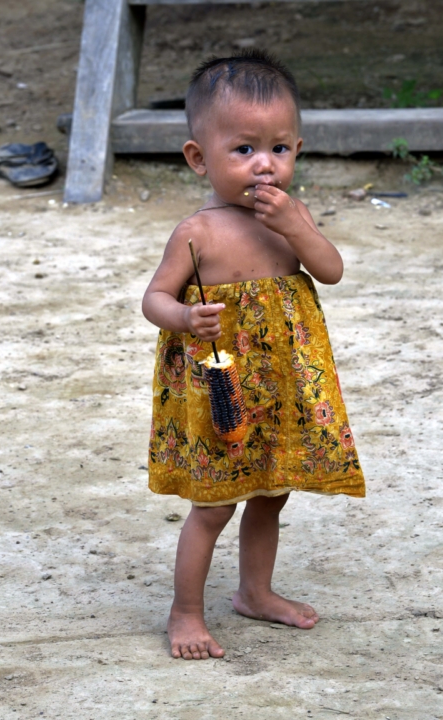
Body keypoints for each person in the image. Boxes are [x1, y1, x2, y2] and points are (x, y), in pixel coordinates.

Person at [142, 50, 365, 661]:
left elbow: (331, 270)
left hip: (284, 384)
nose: (265, 164)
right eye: (243, 149)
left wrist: (296, 228)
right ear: (199, 158)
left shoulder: (293, 218)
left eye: (279, 148)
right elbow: (154, 298)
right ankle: (186, 612)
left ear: (298, 149)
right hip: (224, 385)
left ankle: (255, 592)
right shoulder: (198, 233)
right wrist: (184, 317)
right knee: (213, 505)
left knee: (273, 492)